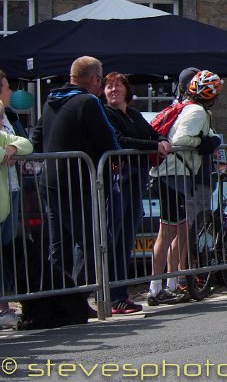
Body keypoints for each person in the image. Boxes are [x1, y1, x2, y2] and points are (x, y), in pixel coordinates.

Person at [31, 56, 120, 301]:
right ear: (94, 79)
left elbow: (36, 139)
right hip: (78, 182)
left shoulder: (50, 101)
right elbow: (108, 141)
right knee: (93, 242)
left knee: (59, 246)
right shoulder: (88, 102)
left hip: (49, 181)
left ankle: (56, 299)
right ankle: (78, 298)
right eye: (100, 80)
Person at [148, 70, 222, 306]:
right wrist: (205, 143)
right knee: (168, 232)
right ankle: (156, 287)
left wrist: (211, 138)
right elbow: (181, 140)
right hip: (173, 174)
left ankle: (168, 285)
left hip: (174, 174)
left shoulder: (188, 107)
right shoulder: (198, 111)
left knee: (177, 230)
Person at [102, 73, 172, 315]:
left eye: (117, 85)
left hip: (136, 180)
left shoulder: (133, 114)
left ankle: (121, 296)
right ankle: (112, 296)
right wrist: (153, 146)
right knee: (114, 239)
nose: (113, 90)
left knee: (126, 239)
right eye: (109, 86)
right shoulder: (105, 113)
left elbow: (152, 133)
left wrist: (161, 140)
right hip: (117, 182)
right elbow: (120, 140)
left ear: (126, 90)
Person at [0, 70, 32, 329]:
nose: (11, 91)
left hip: (11, 189)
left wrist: (12, 147)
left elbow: (25, 142)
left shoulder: (9, 115)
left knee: (7, 249)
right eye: (6, 87)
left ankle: (5, 304)